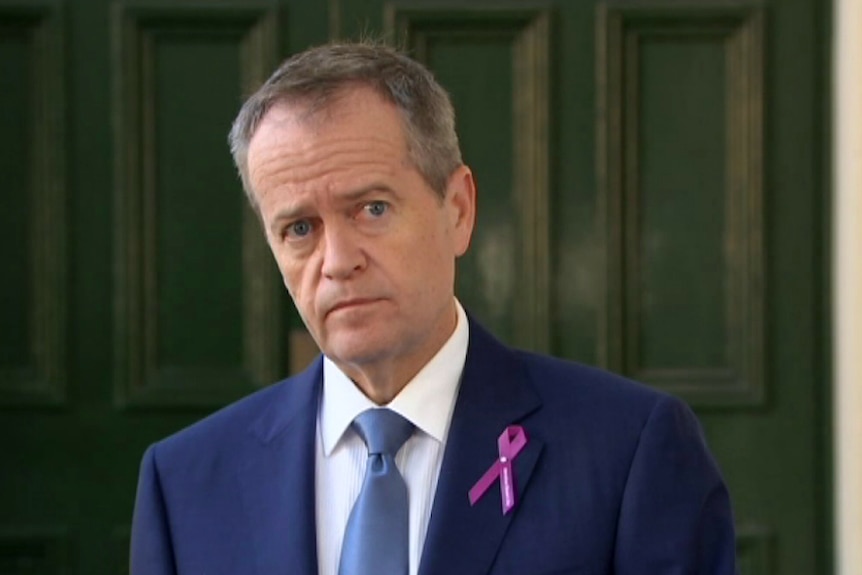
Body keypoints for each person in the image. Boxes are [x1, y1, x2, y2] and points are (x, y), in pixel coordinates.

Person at [130, 41, 737, 575]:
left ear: (458, 209)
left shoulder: (629, 450)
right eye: (298, 228)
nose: (337, 260)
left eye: (372, 209)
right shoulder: (186, 484)